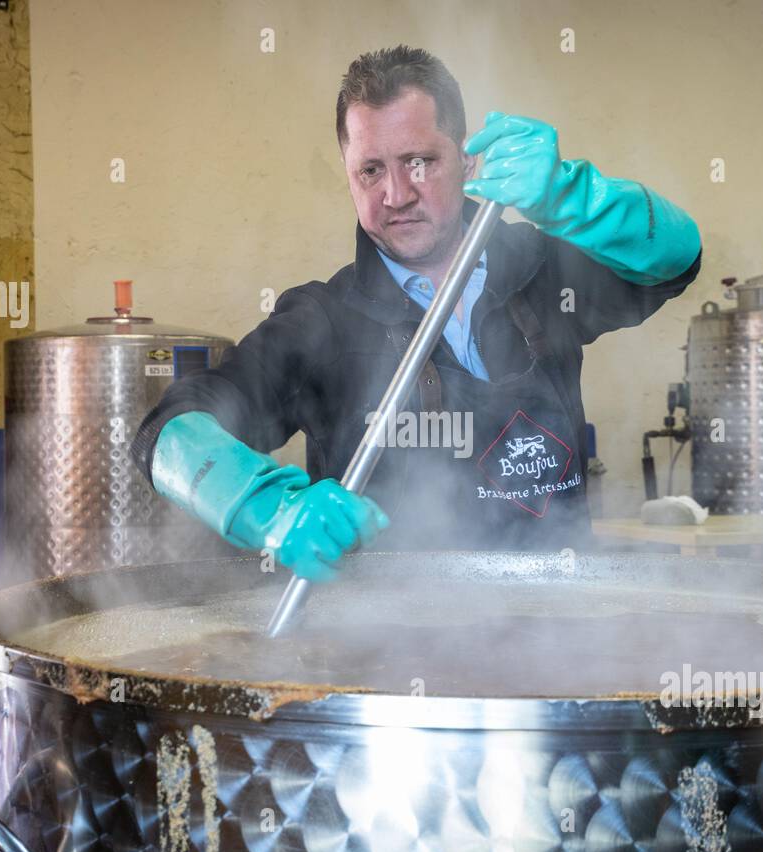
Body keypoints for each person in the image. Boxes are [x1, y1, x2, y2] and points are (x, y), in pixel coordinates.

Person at [132, 45, 701, 582]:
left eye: (419, 161)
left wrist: (571, 196)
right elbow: (167, 432)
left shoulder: (543, 272)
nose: (397, 194)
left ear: (466, 157)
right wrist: (263, 507)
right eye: (371, 170)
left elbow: (675, 258)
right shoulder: (323, 321)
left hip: (557, 625)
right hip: (388, 645)